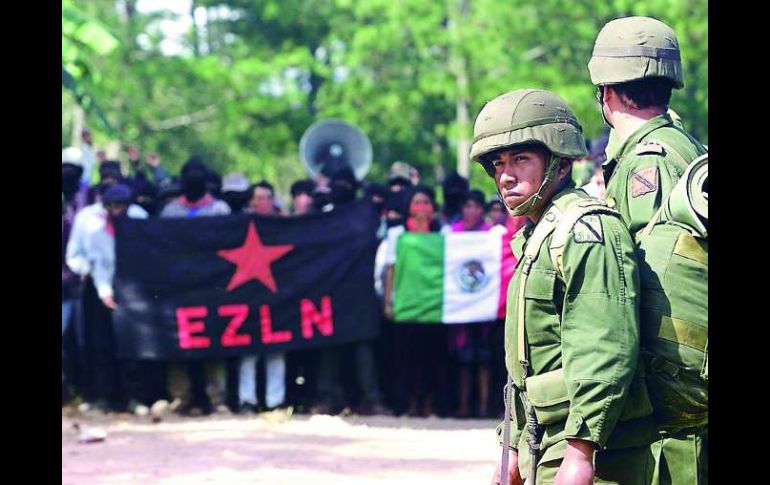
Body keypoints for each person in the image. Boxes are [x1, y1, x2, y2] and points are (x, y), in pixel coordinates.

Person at [471, 89, 656, 485]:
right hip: (543, 439)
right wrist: (514, 447)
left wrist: (580, 453)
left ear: (559, 163)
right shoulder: (538, 234)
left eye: (521, 159)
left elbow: (604, 346)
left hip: (586, 444)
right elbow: (529, 361)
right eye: (498, 163)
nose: (505, 175)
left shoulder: (586, 229)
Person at [588, 16, 708, 482]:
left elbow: (635, 282)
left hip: (670, 404)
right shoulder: (683, 146)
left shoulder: (648, 162)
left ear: (606, 91)